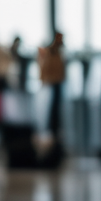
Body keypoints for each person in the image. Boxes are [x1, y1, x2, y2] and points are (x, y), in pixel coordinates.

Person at [37, 32, 66, 161]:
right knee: (53, 113)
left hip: (56, 83)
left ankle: (55, 138)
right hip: (53, 84)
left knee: (56, 113)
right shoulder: (52, 52)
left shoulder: (57, 52)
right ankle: (52, 140)